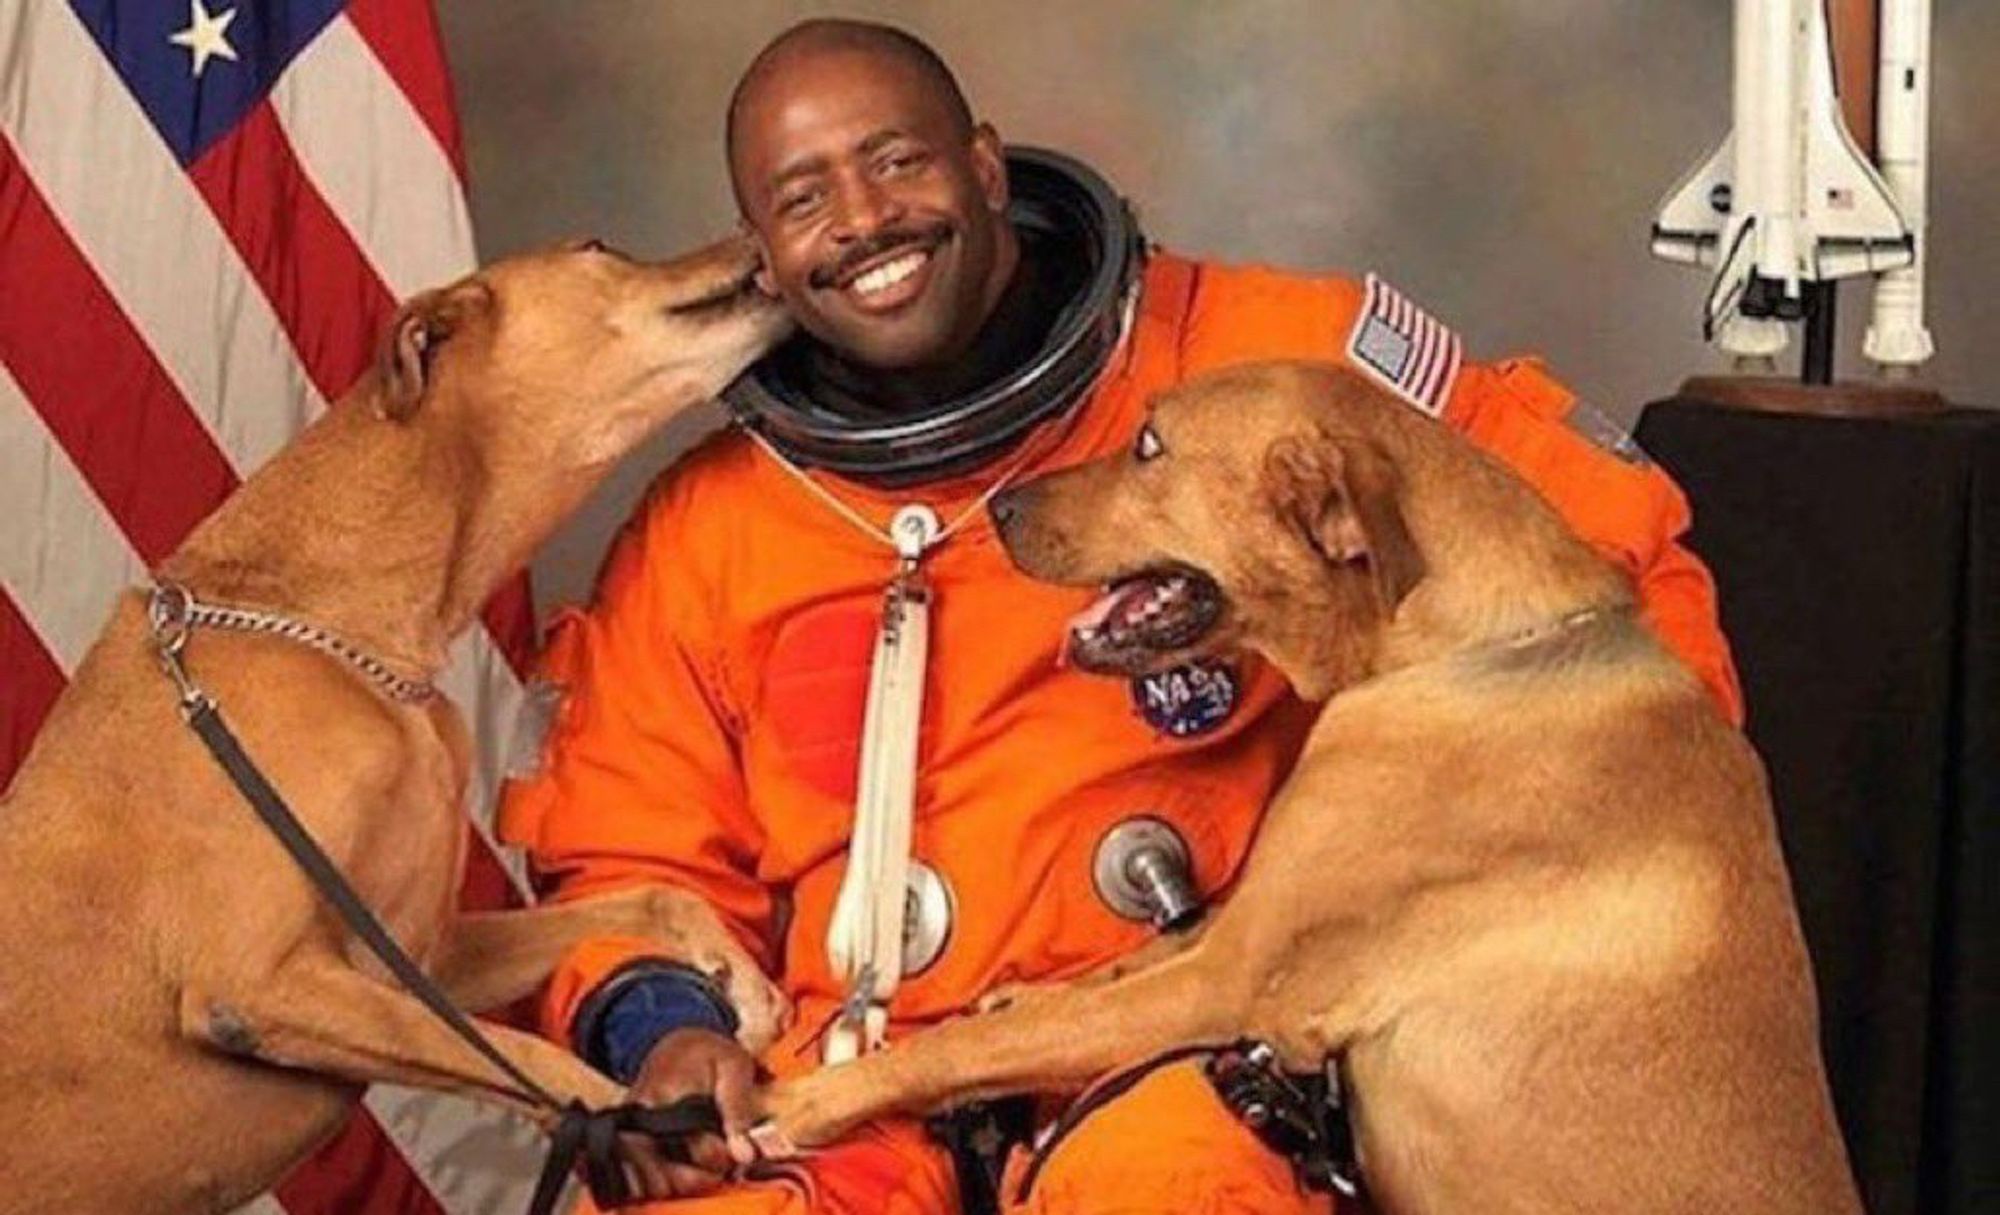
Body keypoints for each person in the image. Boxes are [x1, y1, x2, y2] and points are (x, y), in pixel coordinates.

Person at [497, 18, 1743, 1215]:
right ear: (760, 253)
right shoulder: (706, 531)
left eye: (895, 161)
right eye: (805, 197)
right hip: (844, 1076)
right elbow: (622, 849)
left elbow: (1602, 560)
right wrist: (664, 1026)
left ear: (983, 166)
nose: (865, 220)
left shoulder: (1270, 370)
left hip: (1183, 1054)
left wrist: (1555, 920)